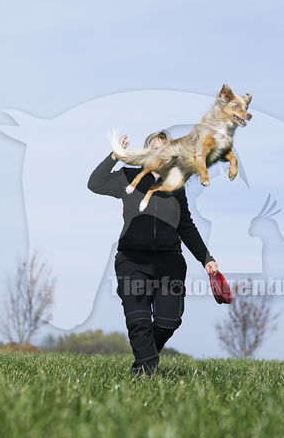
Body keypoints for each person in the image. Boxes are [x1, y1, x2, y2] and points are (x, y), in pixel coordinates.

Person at [87, 130, 218, 376]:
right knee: (139, 321)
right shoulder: (128, 177)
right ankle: (145, 372)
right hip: (132, 260)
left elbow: (186, 226)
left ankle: (144, 363)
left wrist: (206, 258)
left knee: (169, 321)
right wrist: (115, 156)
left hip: (169, 262)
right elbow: (95, 183)